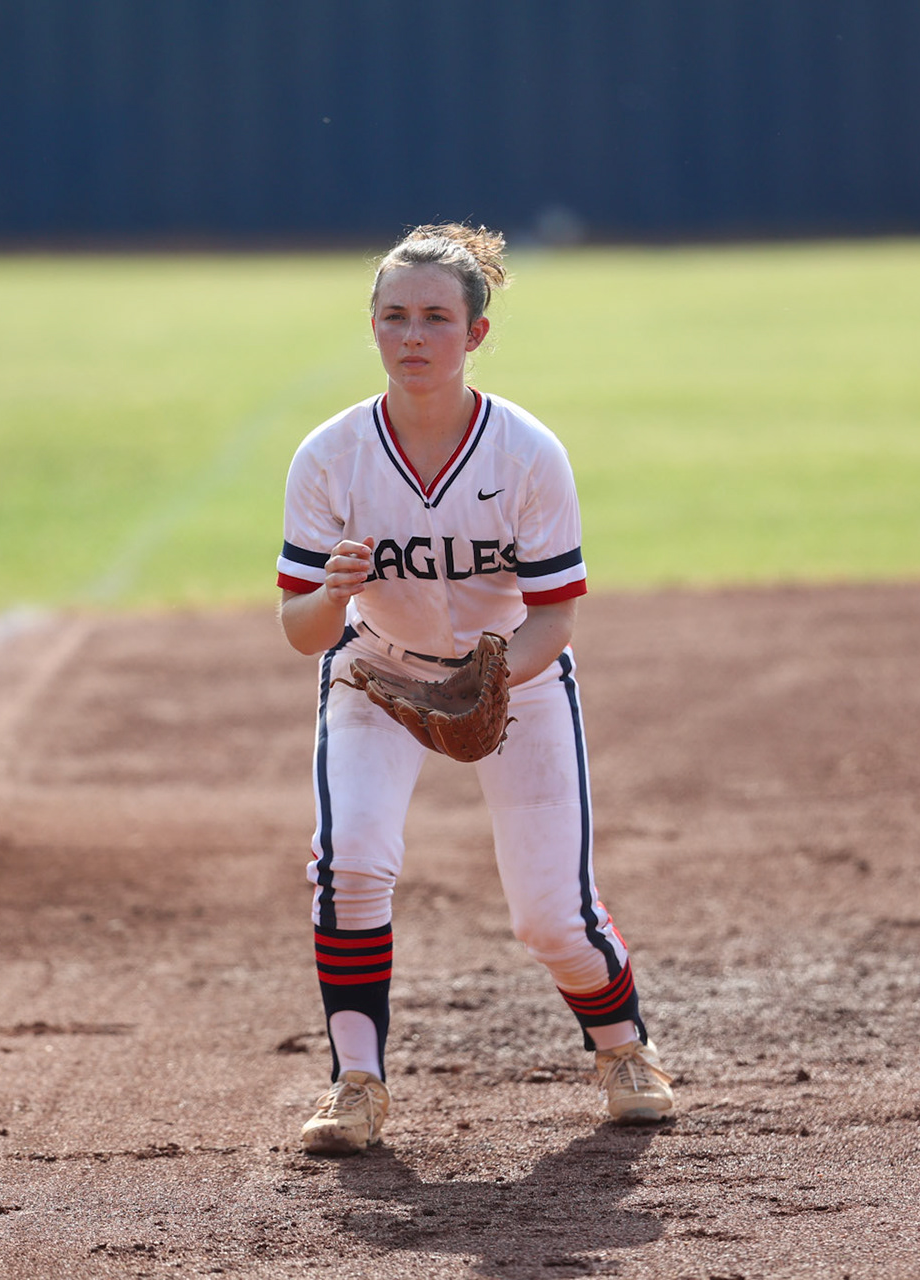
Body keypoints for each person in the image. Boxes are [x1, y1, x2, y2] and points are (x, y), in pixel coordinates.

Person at [275, 223, 675, 1155]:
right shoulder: (330, 457)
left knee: (550, 914)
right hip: (375, 675)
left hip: (514, 679)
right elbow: (302, 637)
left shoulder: (526, 454)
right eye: (394, 317)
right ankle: (357, 1083)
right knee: (351, 863)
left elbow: (553, 621)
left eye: (435, 318)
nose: (413, 336)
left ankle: (623, 1048)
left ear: (475, 334)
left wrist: (484, 681)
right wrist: (331, 594)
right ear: (372, 328)